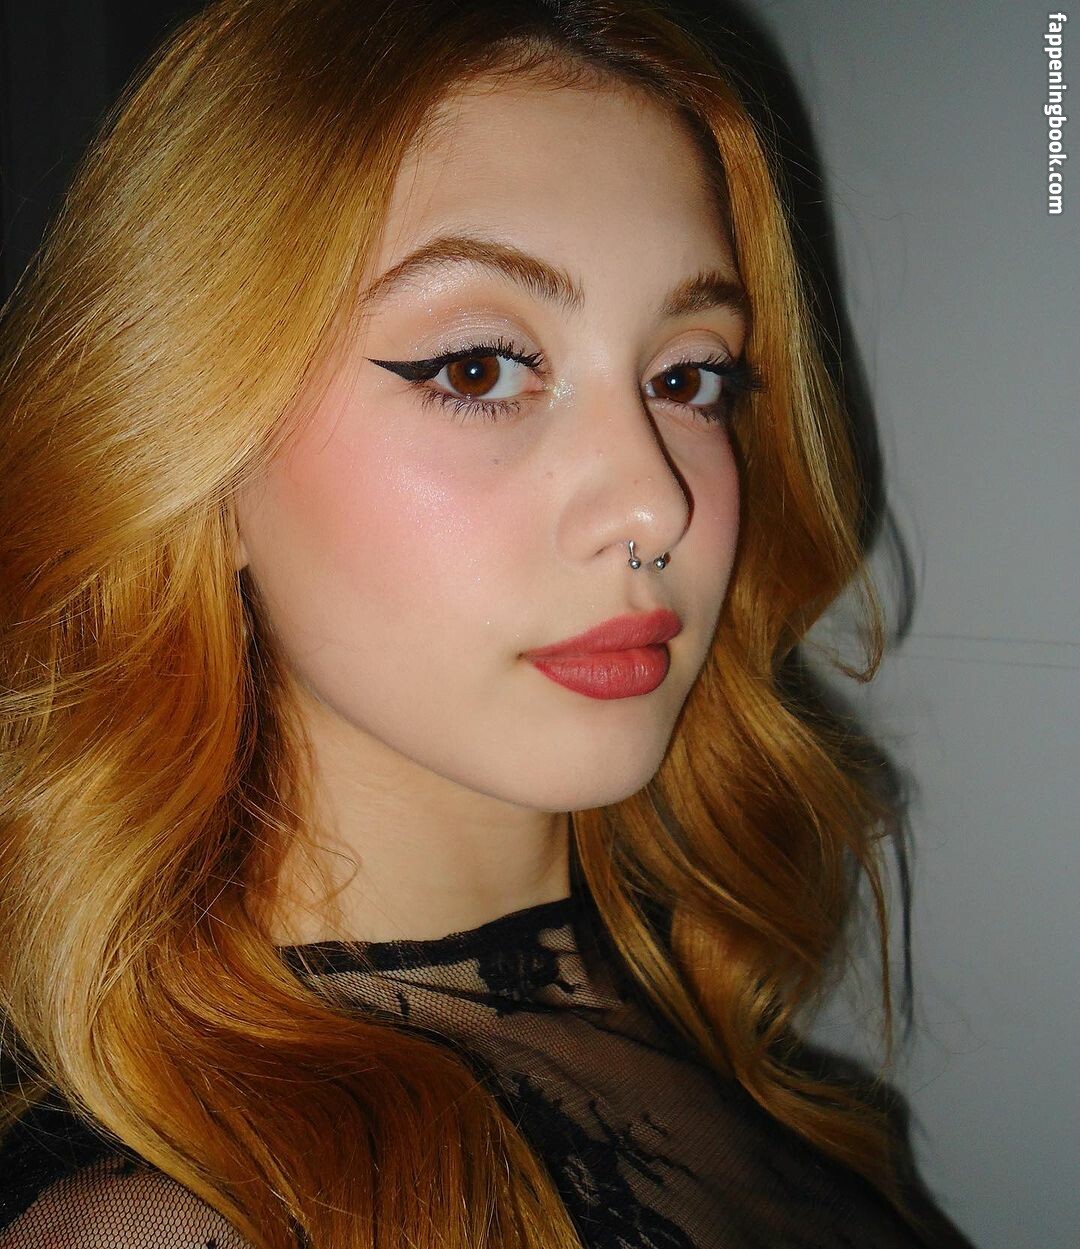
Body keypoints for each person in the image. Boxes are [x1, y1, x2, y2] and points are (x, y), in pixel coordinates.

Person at [0, 0, 943, 1245]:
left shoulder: (690, 1032)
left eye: (687, 376)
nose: (652, 502)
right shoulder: (179, 1220)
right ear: (196, 453)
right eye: (478, 367)